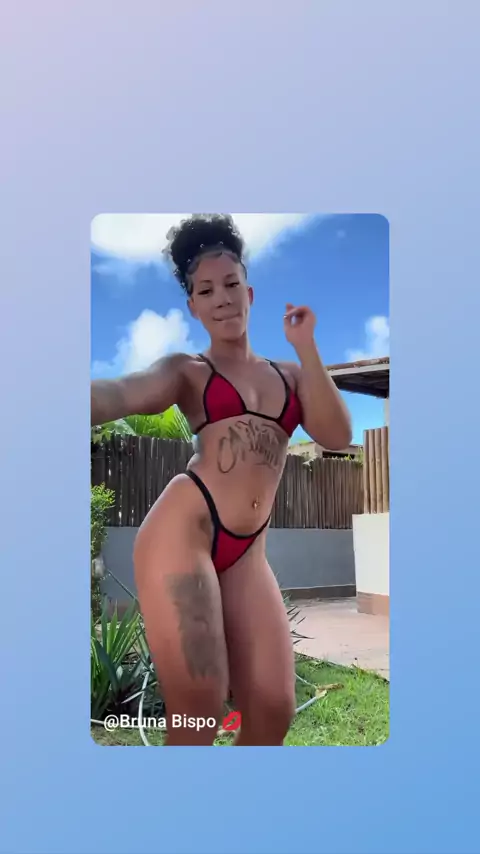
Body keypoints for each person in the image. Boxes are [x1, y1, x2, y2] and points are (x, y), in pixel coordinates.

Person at [91, 214, 352, 746]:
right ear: (193, 306)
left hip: (247, 553)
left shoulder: (291, 376)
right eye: (206, 290)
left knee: (272, 709)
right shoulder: (188, 371)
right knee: (199, 708)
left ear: (249, 293)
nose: (222, 298)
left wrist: (306, 346)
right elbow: (119, 393)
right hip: (185, 529)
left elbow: (336, 435)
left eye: (231, 284)